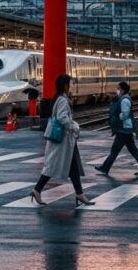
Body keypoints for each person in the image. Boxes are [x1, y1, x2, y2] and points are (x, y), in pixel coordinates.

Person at [30, 74, 94, 207]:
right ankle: (37, 190)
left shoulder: (58, 97)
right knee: (52, 165)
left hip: (65, 141)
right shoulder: (63, 100)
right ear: (65, 85)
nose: (72, 85)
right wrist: (74, 126)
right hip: (62, 140)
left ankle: (80, 194)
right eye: (70, 83)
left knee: (73, 167)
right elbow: (62, 117)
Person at [95, 81, 138, 176]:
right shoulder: (123, 99)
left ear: (123, 90)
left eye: (118, 88)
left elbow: (125, 114)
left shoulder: (125, 100)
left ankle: (105, 168)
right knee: (132, 150)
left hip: (124, 129)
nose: (117, 90)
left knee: (115, 150)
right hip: (125, 129)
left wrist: (119, 117)